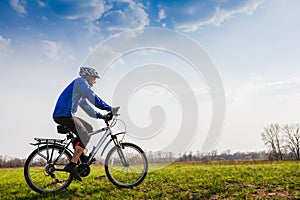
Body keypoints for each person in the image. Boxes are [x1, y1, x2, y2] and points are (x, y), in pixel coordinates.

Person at [52, 66, 119, 181]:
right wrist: (110, 108)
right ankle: (72, 165)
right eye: (94, 78)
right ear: (88, 77)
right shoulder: (81, 82)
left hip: (64, 114)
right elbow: (93, 98)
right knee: (85, 134)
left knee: (88, 127)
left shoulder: (80, 90)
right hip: (65, 114)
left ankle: (81, 157)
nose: (95, 81)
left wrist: (101, 115)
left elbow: (88, 108)